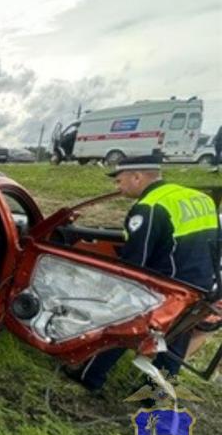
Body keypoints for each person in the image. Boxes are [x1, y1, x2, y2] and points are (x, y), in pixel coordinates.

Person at [66, 155, 219, 391]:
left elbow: (136, 262)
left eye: (119, 181)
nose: (118, 187)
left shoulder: (149, 206)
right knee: (174, 346)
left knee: (122, 326)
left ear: (136, 177)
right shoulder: (200, 199)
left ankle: (89, 378)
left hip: (167, 288)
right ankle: (155, 398)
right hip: (199, 287)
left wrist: (115, 294)